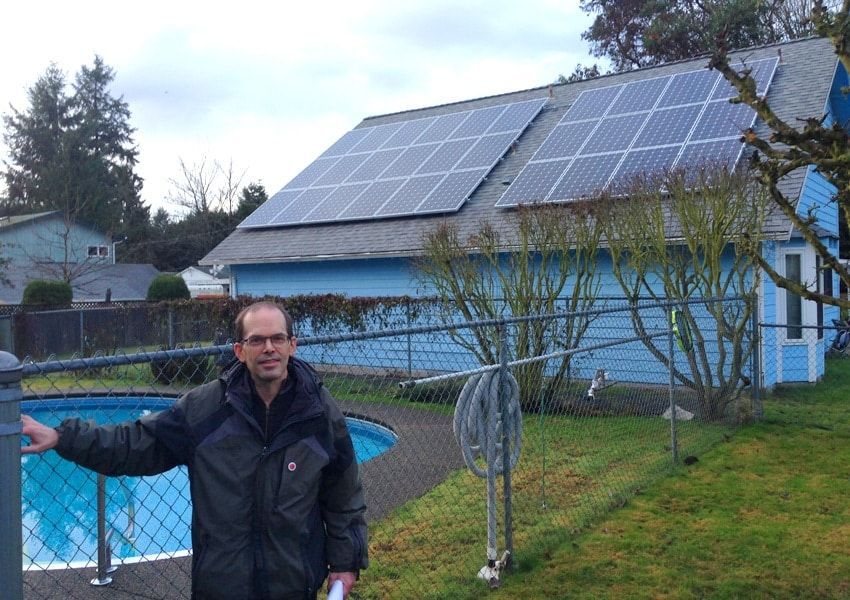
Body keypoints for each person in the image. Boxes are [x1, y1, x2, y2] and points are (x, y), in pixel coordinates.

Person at [22, 301, 368, 600]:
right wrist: (61, 437)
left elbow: (343, 493)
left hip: (293, 585)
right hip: (222, 586)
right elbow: (136, 443)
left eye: (278, 338)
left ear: (292, 345)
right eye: (257, 340)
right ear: (239, 350)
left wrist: (345, 562)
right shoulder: (204, 410)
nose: (269, 348)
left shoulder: (319, 413)